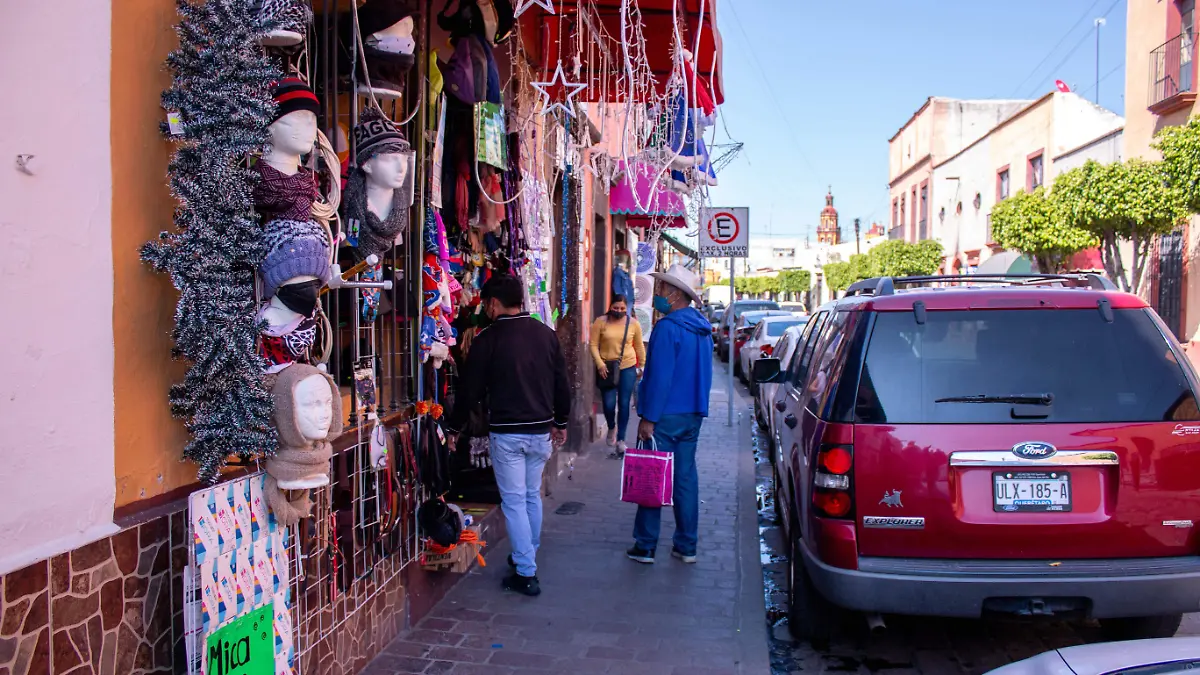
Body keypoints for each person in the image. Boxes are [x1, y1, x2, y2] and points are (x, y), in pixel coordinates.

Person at [447, 275, 570, 597]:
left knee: (515, 501)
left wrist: (453, 428)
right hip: (540, 432)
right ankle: (525, 555)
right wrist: (561, 421)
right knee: (530, 496)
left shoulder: (488, 339)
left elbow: (470, 391)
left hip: (508, 435)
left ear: (494, 303)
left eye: (487, 303)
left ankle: (526, 572)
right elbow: (561, 382)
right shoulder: (546, 334)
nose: (486, 308)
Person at [627, 264, 713, 565]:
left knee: (653, 475)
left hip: (666, 414)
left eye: (663, 288)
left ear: (675, 295)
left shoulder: (667, 328)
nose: (658, 293)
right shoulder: (702, 329)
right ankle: (686, 545)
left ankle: (646, 544)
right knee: (685, 478)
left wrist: (648, 417)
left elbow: (660, 376)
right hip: (692, 412)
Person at [590, 294, 645, 458]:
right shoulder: (601, 322)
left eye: (622, 308)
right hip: (606, 368)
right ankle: (612, 426)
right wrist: (599, 364)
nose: (619, 311)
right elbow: (593, 345)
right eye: (616, 308)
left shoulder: (633, 324)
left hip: (627, 367)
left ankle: (621, 439)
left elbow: (639, 346)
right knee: (608, 404)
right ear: (610, 306)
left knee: (623, 403)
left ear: (626, 308)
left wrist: (642, 365)